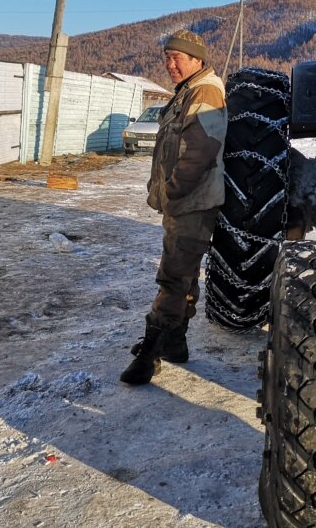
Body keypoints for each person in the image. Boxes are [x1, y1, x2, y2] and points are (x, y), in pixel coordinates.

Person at [120, 29, 227, 386]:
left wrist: (175, 190)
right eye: (167, 58)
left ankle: (151, 353)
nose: (171, 64)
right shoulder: (188, 92)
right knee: (183, 274)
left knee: (173, 277)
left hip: (192, 202)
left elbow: (201, 149)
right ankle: (175, 343)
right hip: (184, 201)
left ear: (197, 59)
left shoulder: (206, 91)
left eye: (177, 58)